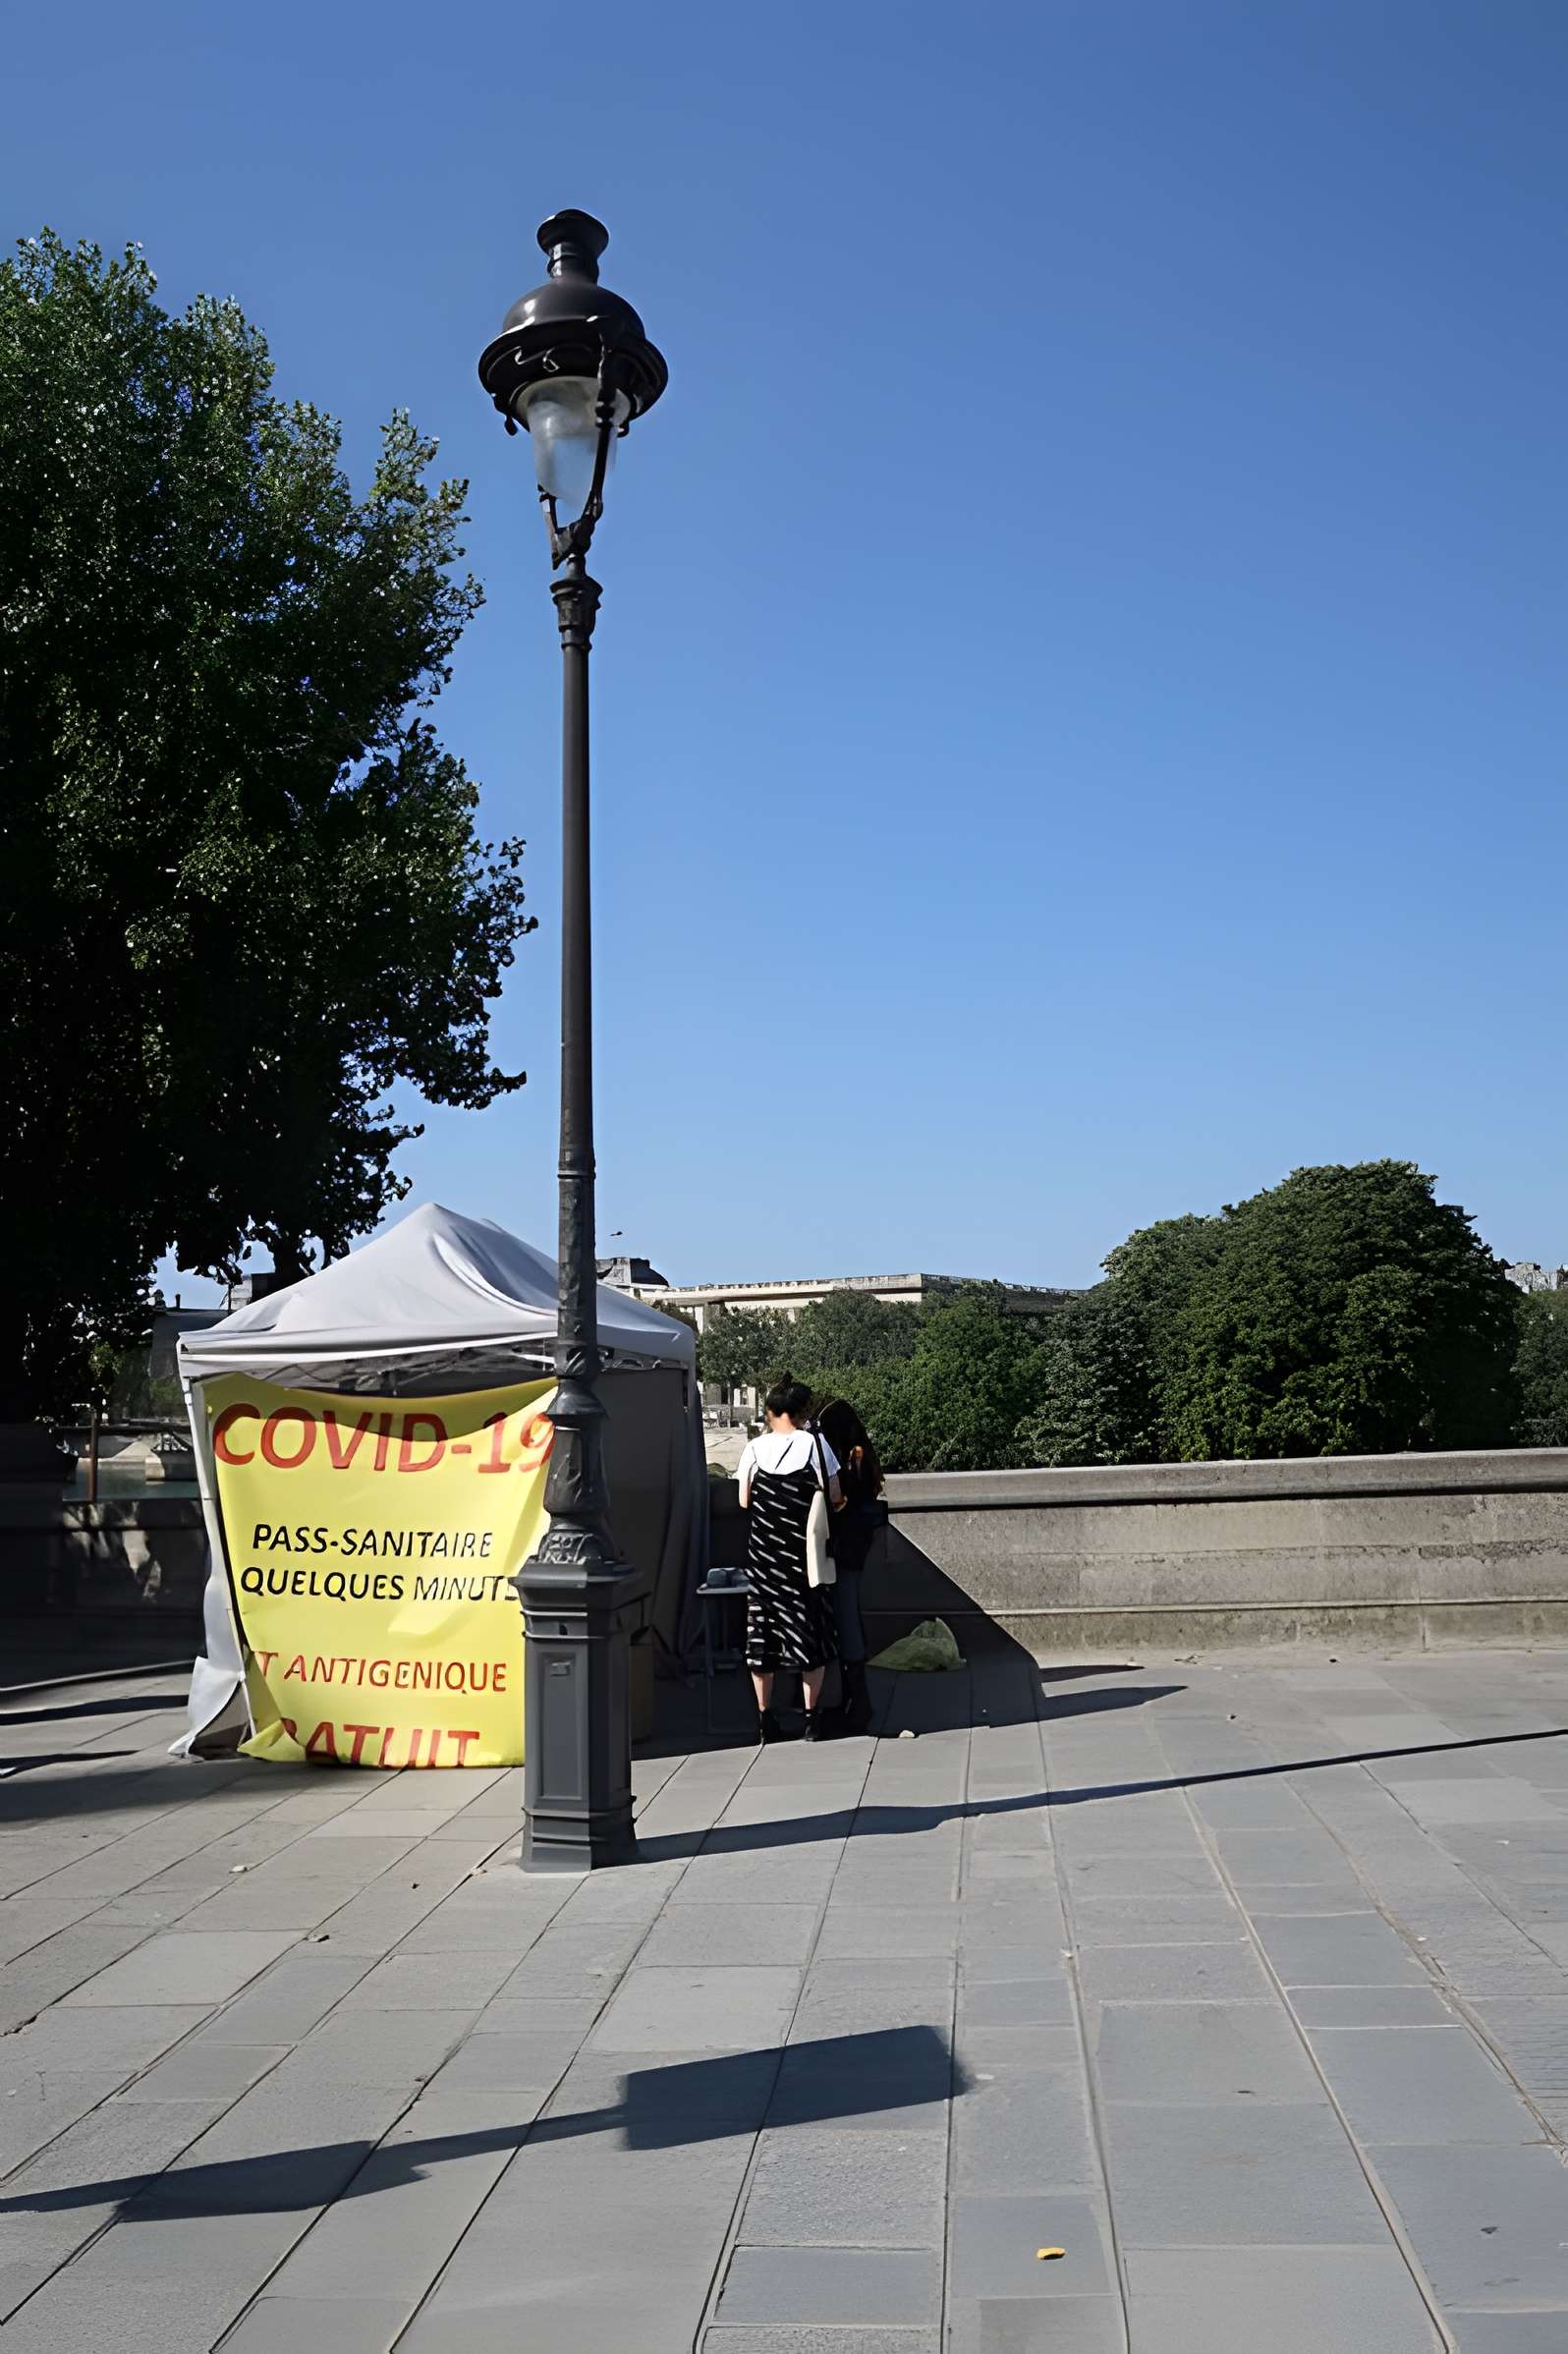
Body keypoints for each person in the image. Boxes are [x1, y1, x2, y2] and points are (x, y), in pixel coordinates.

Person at [736, 1376, 841, 1743]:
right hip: (804, 1560)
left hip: (764, 1560)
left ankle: (766, 1720)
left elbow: (744, 1501)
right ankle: (812, 1720)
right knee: (812, 1634)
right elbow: (836, 1494)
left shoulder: (753, 1448)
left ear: (769, 1412)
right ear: (802, 1413)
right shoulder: (816, 1444)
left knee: (761, 1638)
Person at [814, 1396, 885, 1735]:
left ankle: (858, 1702)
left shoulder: (849, 1460)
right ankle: (856, 1699)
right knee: (849, 1614)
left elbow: (838, 1499)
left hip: (845, 1545)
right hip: (858, 1542)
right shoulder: (863, 1454)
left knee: (845, 1616)